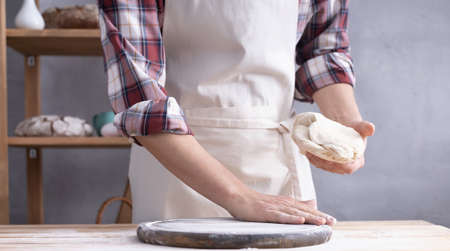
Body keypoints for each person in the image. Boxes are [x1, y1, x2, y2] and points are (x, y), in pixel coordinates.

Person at [98, 0, 375, 225]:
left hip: (276, 162)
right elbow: (142, 100)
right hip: (179, 172)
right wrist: (242, 198)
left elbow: (322, 50)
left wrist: (344, 128)